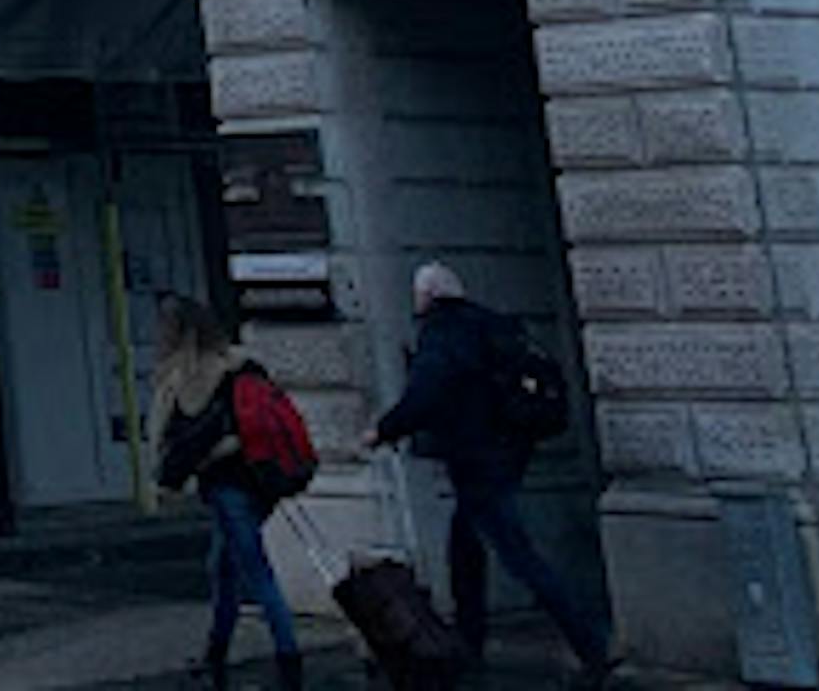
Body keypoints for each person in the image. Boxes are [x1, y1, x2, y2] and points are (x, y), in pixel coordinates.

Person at [366, 262, 619, 688]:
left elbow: (427, 391)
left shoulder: (443, 332)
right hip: (507, 450)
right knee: (465, 547)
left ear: (427, 296)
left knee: (515, 553)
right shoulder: (491, 325)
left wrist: (383, 429)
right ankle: (470, 641)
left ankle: (590, 642)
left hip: (475, 456)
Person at [153, 295, 303, 689]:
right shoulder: (242, 366)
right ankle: (216, 650)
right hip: (262, 478)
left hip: (227, 485)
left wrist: (168, 481)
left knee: (254, 571)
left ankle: (288, 656)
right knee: (223, 567)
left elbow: (183, 440)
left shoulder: (189, 378)